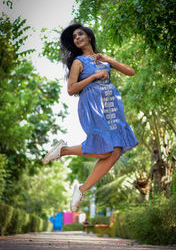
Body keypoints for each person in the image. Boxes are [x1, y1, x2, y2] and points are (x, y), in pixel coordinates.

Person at [43, 23, 138, 212]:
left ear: (88, 35)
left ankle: (82, 188)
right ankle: (64, 151)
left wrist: (107, 59)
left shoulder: (102, 59)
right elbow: (71, 89)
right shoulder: (78, 62)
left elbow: (131, 71)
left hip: (111, 105)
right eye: (74, 38)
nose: (77, 38)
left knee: (115, 151)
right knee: (104, 151)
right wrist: (93, 77)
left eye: (80, 34)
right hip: (93, 105)